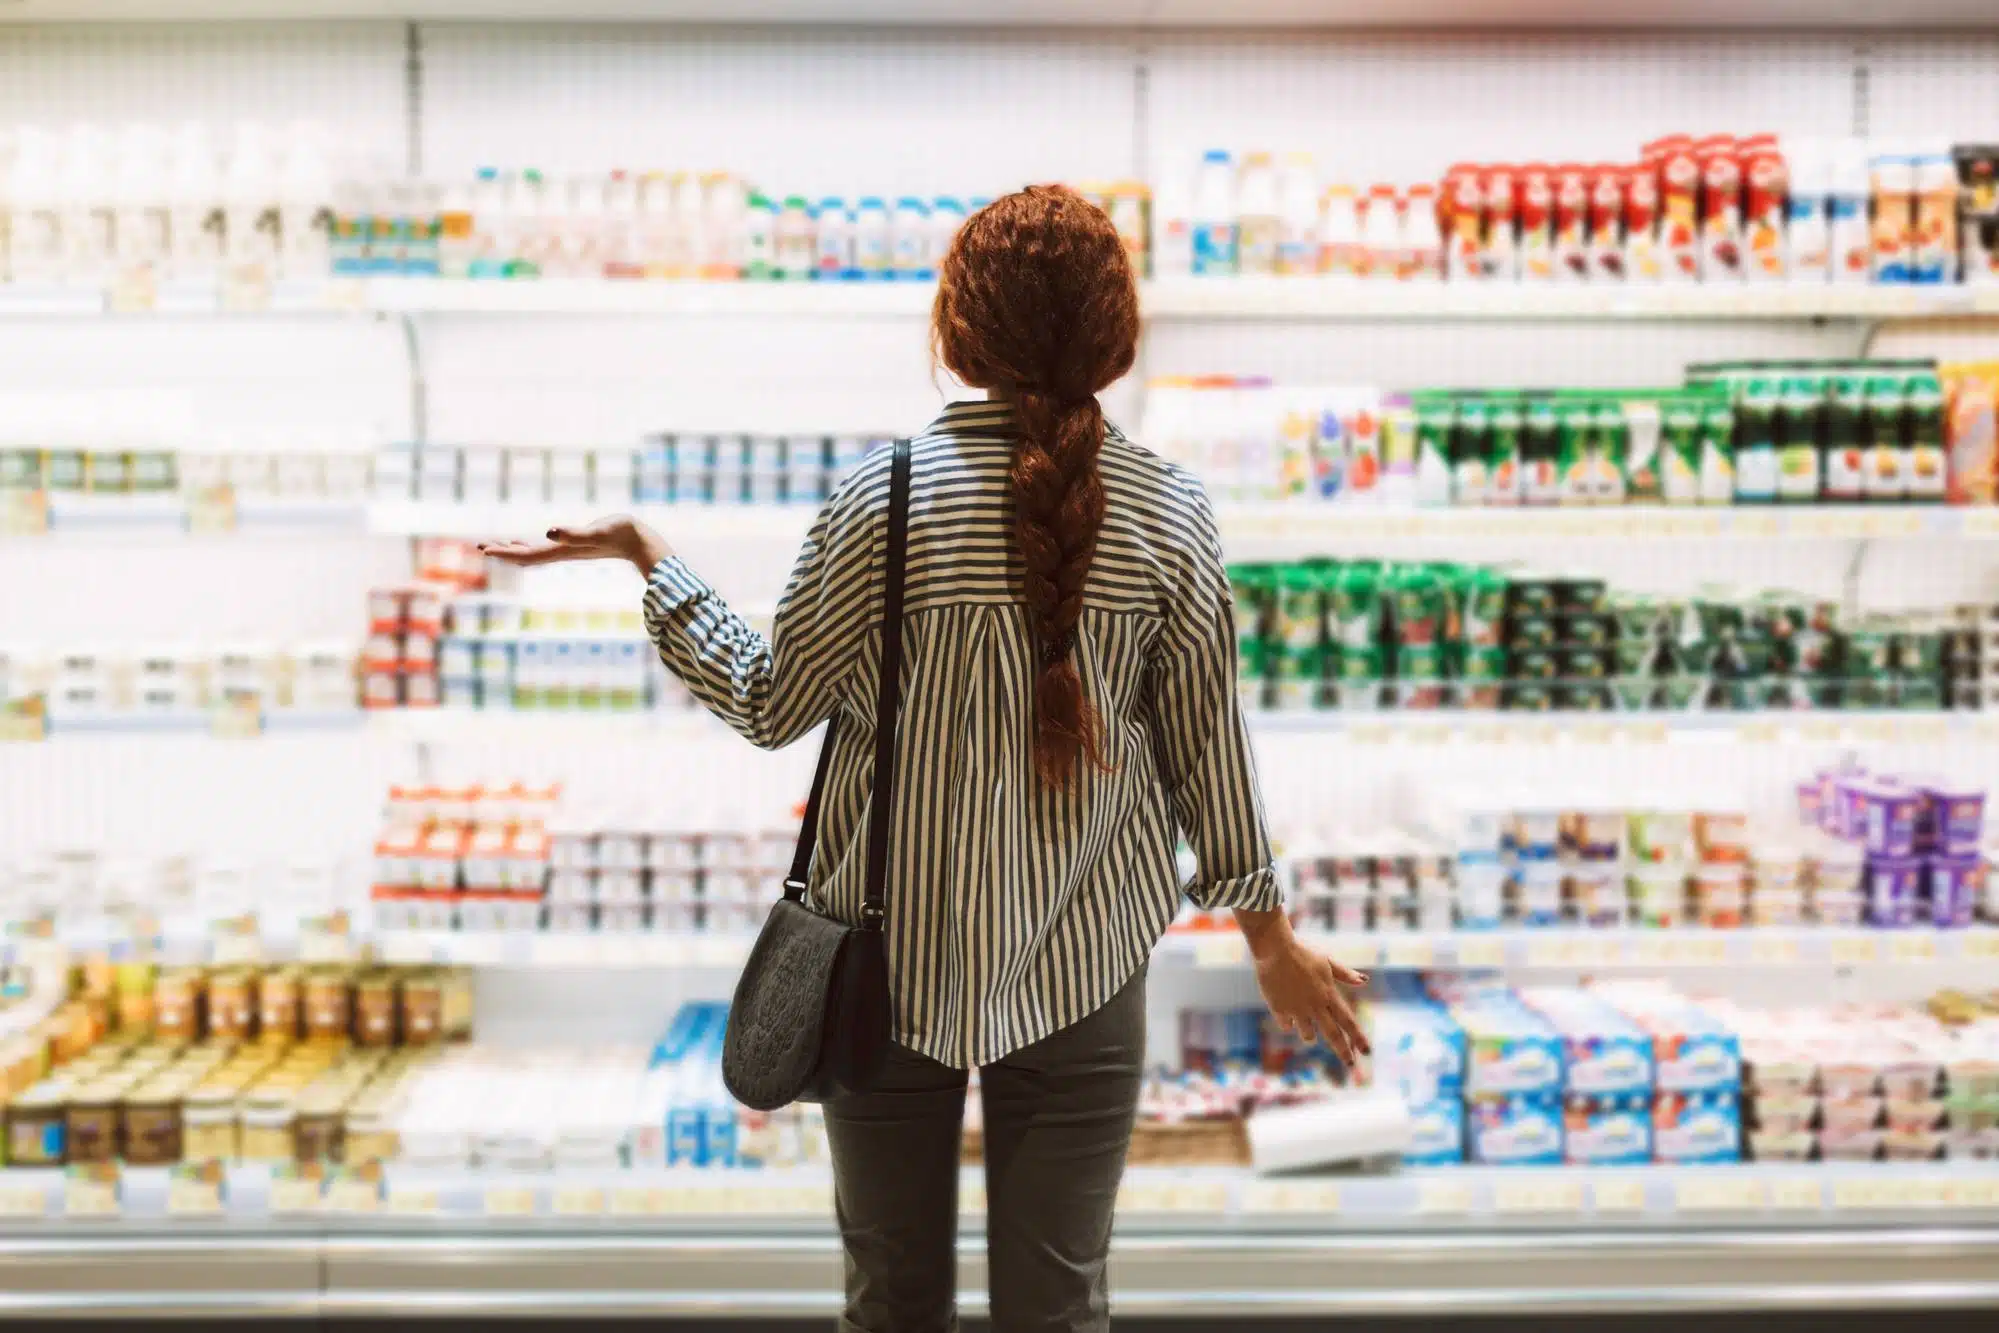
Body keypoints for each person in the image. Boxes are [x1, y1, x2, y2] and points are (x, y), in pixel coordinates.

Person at [481, 184, 1369, 1333]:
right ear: (1115, 330)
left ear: (958, 329)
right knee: (1058, 1303)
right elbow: (1209, 748)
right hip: (1087, 960)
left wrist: (654, 561)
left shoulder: (878, 497)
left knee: (891, 1299)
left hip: (887, 966)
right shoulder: (1172, 510)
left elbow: (768, 703)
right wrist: (1268, 935)